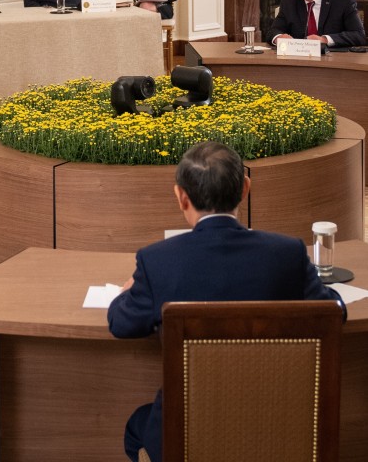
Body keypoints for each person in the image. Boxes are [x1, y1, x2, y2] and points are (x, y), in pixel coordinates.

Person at [107, 141, 345, 462]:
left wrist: (129, 289)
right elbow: (334, 313)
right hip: (280, 427)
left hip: (186, 435)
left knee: (139, 423)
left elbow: (120, 324)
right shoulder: (286, 253)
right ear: (245, 189)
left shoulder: (158, 261)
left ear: (181, 197)